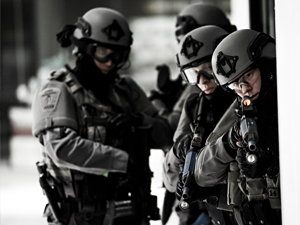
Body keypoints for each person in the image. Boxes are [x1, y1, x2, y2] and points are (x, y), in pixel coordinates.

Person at [31, 7, 173, 225]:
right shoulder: (58, 90)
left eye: (119, 55)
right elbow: (62, 147)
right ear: (84, 49)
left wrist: (140, 123)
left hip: (130, 213)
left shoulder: (125, 90)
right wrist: (122, 161)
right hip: (81, 216)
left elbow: (166, 134)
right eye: (103, 53)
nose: (111, 62)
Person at [169, 29, 281, 225]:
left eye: (249, 75)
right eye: (235, 85)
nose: (244, 89)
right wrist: (230, 143)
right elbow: (198, 174)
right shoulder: (234, 107)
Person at [162, 25, 237, 225]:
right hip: (214, 216)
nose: (202, 82)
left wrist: (212, 191)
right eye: (193, 75)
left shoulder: (244, 99)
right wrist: (179, 151)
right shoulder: (195, 105)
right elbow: (170, 180)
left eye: (208, 70)